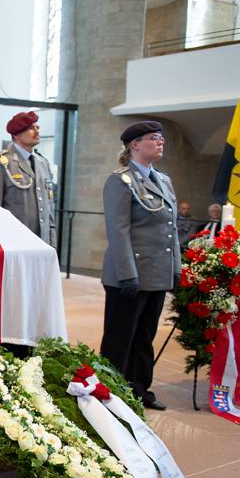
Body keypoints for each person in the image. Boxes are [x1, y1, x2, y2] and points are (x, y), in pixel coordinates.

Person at [100, 121, 180, 411]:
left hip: (157, 274)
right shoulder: (120, 180)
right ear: (134, 145)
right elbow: (118, 231)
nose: (160, 142)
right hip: (129, 276)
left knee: (145, 337)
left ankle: (140, 389)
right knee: (120, 338)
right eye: (153, 138)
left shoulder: (164, 180)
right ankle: (108, 394)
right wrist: (127, 274)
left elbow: (171, 229)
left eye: (161, 138)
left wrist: (176, 269)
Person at [0, 111, 56, 246]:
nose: (37, 131)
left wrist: (52, 244)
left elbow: (49, 211)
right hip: (13, 243)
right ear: (16, 135)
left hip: (41, 244)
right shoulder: (1, 162)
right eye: (31, 129)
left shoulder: (42, 163)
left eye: (37, 127)